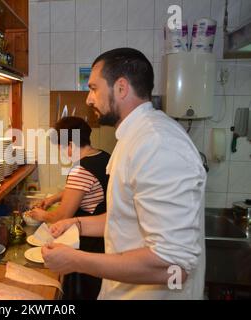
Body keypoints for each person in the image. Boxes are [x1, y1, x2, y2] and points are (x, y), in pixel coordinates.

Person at [42, 48, 206, 300]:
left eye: (94, 88)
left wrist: (76, 261)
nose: (88, 99)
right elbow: (127, 218)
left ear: (121, 88)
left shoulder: (157, 143)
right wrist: (76, 223)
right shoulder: (134, 139)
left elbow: (173, 266)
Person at [29, 116, 110, 300]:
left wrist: (41, 215)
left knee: (88, 294)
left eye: (61, 148)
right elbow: (85, 190)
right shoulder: (103, 156)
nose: (62, 153)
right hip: (106, 238)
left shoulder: (80, 170)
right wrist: (54, 197)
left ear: (71, 144)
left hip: (90, 244)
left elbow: (62, 216)